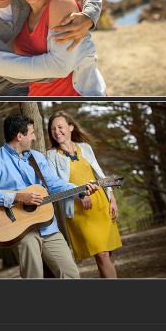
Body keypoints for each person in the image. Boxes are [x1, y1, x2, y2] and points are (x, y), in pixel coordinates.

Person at [0, 114, 97, 278]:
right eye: (32, 133)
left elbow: (53, 183)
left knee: (70, 273)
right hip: (20, 231)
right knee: (33, 276)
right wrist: (18, 198)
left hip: (48, 226)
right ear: (20, 136)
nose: (35, 137)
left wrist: (80, 189)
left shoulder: (37, 158)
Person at [45, 111, 122, 278]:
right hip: (78, 209)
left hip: (101, 204)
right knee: (101, 254)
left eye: (60, 127)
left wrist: (112, 200)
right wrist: (79, 193)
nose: (57, 131)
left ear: (71, 127)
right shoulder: (51, 155)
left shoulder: (85, 148)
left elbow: (100, 175)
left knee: (107, 255)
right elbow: (54, 186)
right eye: (52, 129)